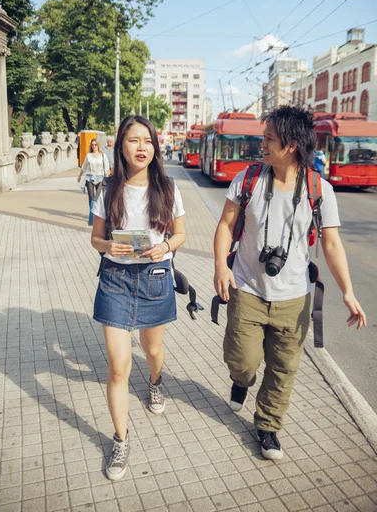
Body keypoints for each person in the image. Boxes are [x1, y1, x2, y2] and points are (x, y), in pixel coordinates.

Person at [213, 106, 366, 461]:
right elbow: (224, 225)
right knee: (243, 361)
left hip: (294, 298)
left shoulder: (320, 189)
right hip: (248, 289)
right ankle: (240, 381)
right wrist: (221, 266)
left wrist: (347, 291)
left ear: (291, 144)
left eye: (269, 138)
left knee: (283, 369)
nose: (261, 143)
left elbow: (330, 244)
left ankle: (268, 427)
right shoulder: (247, 179)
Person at [90, 115, 186, 480]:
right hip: (114, 280)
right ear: (120, 145)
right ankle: (120, 440)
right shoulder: (107, 188)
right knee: (118, 366)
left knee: (152, 350)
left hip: (155, 279)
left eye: (147, 140)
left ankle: (156, 382)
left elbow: (180, 234)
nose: (141, 147)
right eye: (133, 140)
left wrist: (164, 246)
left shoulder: (168, 187)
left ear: (155, 147)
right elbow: (95, 238)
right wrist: (106, 244)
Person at [77, 138, 110, 207]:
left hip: (100, 178)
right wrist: (79, 176)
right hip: (90, 178)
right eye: (92, 145)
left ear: (98, 145)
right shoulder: (89, 156)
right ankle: (91, 215)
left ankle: (98, 214)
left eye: (95, 144)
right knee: (91, 197)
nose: (94, 146)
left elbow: (106, 169)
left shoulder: (103, 156)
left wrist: (106, 180)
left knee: (99, 197)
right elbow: (84, 167)